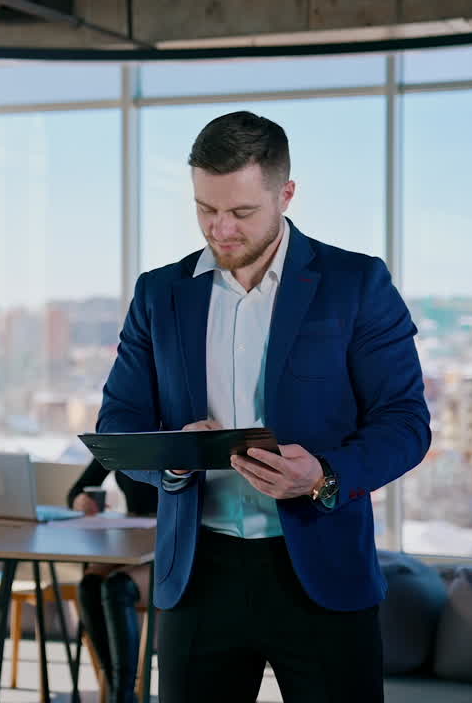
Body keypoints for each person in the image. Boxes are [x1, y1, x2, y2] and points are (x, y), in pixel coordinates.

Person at [98, 111, 431, 702]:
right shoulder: (159, 293)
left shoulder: (355, 283)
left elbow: (405, 423)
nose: (220, 228)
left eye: (242, 212)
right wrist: (176, 457)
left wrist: (325, 473)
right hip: (198, 573)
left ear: (286, 194)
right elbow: (119, 424)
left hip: (319, 569)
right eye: (206, 208)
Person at [66, 459, 157, 703]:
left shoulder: (176, 425)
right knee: (90, 585)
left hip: (180, 543)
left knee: (118, 587)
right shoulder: (124, 431)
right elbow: (78, 490)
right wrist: (80, 501)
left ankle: (123, 695)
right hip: (138, 537)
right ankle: (115, 683)